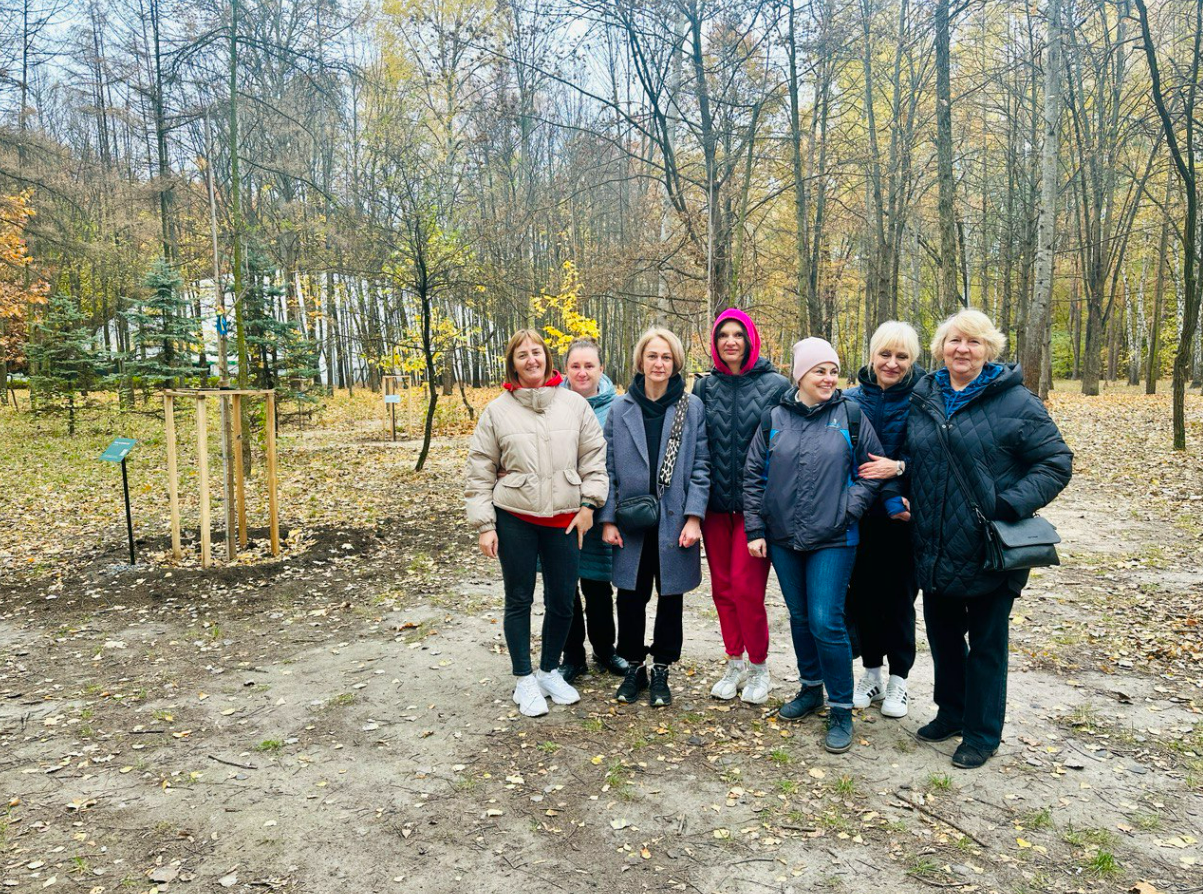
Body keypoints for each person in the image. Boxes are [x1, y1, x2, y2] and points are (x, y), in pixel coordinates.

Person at [907, 309, 1072, 769]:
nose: (962, 349)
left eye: (974, 342)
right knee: (942, 635)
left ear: (989, 350)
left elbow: (1057, 462)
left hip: (988, 548)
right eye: (954, 340)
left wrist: (1008, 504)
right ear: (941, 346)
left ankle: (982, 733)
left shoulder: (1017, 403)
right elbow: (912, 455)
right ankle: (952, 712)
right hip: (934, 544)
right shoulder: (924, 395)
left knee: (986, 643)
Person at [743, 338, 887, 754]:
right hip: (784, 537)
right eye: (818, 370)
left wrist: (849, 509)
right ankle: (811, 690)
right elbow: (753, 476)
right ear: (799, 375)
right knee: (801, 616)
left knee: (827, 620)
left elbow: (873, 470)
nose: (827, 378)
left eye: (832, 370)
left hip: (834, 537)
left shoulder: (851, 415)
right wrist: (756, 529)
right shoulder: (774, 418)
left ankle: (841, 707)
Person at [465, 329, 609, 717]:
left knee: (563, 600)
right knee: (519, 599)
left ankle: (548, 671)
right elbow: (480, 470)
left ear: (547, 358)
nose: (531, 360)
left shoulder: (574, 406)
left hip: (564, 520)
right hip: (516, 519)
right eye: (522, 355)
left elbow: (594, 459)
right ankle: (524, 679)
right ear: (512, 363)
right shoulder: (497, 411)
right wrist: (485, 524)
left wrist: (589, 505)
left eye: (537, 353)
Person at [599, 328, 710, 708]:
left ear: (675, 362)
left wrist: (694, 517)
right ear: (640, 361)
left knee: (670, 597)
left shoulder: (691, 408)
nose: (659, 363)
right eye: (652, 356)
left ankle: (661, 667)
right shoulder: (620, 408)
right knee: (629, 597)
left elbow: (701, 467)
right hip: (631, 522)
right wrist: (608, 519)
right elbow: (607, 468)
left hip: (675, 520)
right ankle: (634, 667)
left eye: (666, 357)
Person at [692, 309, 790, 704]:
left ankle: (760, 667)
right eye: (723, 336)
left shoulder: (776, 386)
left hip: (756, 510)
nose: (730, 341)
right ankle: (734, 661)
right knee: (723, 589)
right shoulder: (705, 389)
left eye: (738, 334)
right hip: (715, 507)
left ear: (751, 339)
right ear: (715, 344)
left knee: (748, 589)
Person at [844, 321, 925, 719]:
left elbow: (934, 458)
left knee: (898, 600)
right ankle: (871, 673)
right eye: (885, 355)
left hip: (903, 517)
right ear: (872, 355)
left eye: (902, 357)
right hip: (860, 516)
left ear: (912, 361)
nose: (891, 364)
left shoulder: (925, 399)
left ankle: (900, 681)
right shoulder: (850, 400)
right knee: (862, 597)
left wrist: (900, 467)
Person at [556, 338, 628, 683]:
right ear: (566, 369)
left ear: (601, 369)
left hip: (600, 510)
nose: (582, 372)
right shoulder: (553, 403)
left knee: (598, 585)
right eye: (575, 366)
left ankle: (605, 650)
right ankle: (572, 657)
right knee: (564, 585)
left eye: (589, 366)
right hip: (558, 511)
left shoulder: (617, 408)